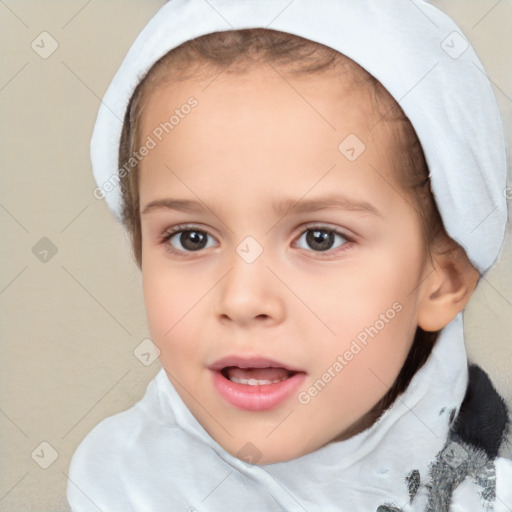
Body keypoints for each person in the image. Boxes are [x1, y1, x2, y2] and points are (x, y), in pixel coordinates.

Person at [67, 0, 512, 510]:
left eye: (320, 238)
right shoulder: (117, 481)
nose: (242, 298)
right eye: (192, 238)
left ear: (445, 279)